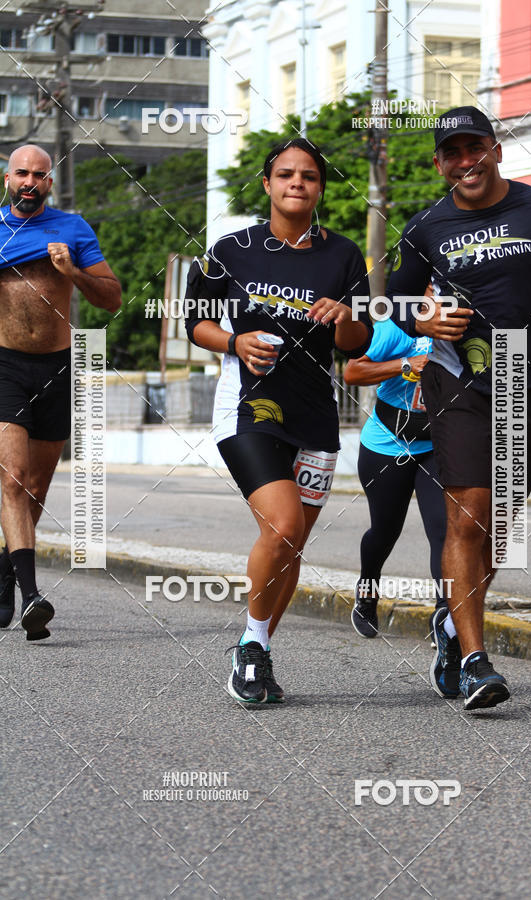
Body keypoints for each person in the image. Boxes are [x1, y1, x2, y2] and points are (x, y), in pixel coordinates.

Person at [388, 106, 531, 710]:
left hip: (518, 374)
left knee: (500, 529)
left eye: (474, 147)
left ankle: (452, 623)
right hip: (457, 375)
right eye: (452, 153)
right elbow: (394, 302)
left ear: (496, 149)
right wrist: (424, 318)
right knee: (467, 514)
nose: (466, 161)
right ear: (439, 165)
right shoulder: (426, 226)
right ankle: (477, 661)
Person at [185, 138, 372, 704]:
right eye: (286, 174)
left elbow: (357, 344)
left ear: (320, 188)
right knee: (285, 524)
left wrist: (344, 316)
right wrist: (235, 341)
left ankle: (257, 648)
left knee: (290, 544)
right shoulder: (231, 249)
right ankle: (249, 645)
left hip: (315, 416)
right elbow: (194, 323)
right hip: (248, 408)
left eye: (309, 176)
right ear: (267, 184)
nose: (297, 183)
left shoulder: (343, 255)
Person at [0, 144, 121, 640]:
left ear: (49, 182)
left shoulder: (73, 228)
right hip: (5, 365)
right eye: (21, 173)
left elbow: (112, 298)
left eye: (39, 175)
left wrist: (72, 271)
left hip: (57, 367)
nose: (29, 182)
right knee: (13, 479)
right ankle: (32, 596)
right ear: (8, 179)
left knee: (36, 488)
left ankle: (6, 571)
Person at [344, 315, 457, 691]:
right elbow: (353, 371)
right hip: (386, 445)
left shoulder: (461, 330)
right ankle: (367, 591)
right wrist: (406, 364)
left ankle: (445, 620)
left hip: (435, 446)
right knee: (385, 530)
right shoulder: (396, 328)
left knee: (444, 531)